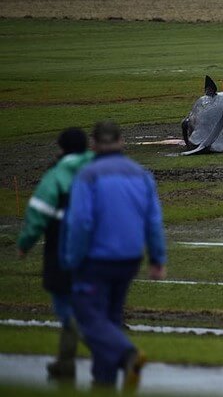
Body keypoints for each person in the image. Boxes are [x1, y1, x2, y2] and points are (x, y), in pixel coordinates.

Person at [61, 120, 167, 390]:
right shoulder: (141, 174)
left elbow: (80, 222)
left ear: (93, 144)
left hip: (97, 260)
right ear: (121, 142)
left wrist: (73, 259)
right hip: (130, 259)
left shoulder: (87, 175)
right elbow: (153, 221)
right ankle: (104, 379)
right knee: (111, 319)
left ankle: (127, 354)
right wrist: (156, 259)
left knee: (86, 318)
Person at [16, 127, 94, 381]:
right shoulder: (99, 170)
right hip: (97, 248)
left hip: (62, 245)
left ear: (63, 148)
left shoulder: (58, 173)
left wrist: (25, 243)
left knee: (65, 306)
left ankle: (115, 352)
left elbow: (39, 212)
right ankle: (65, 363)